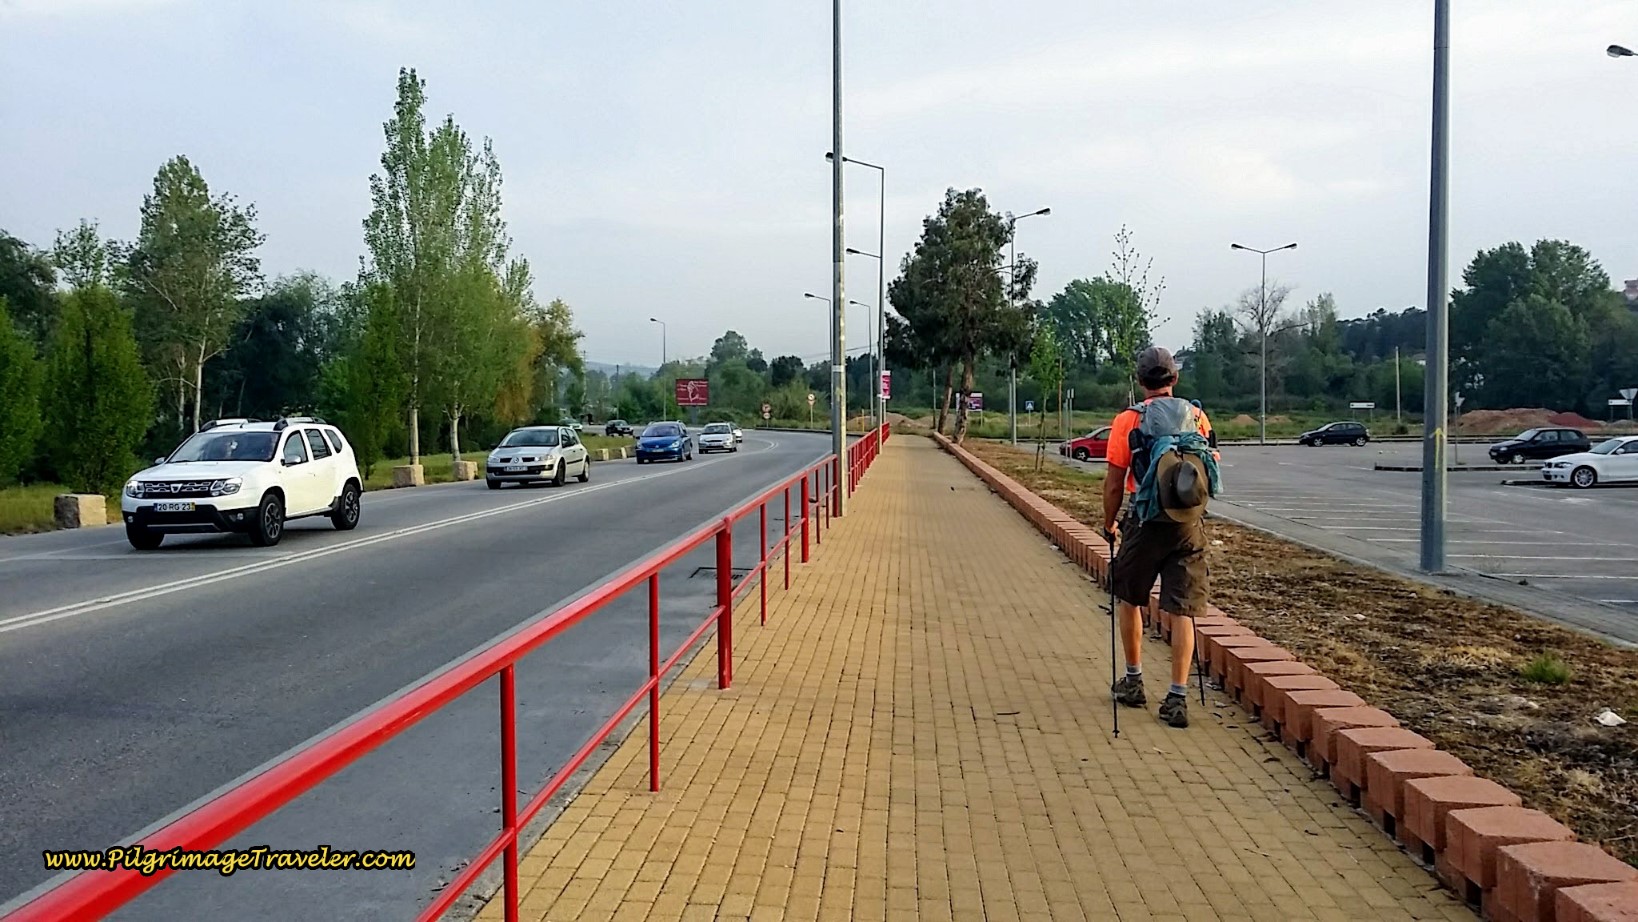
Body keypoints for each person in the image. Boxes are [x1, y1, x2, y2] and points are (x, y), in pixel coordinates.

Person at [1102, 347, 1220, 728]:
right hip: (1188, 522)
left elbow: (1115, 482)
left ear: (1140, 381)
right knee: (1182, 608)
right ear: (1174, 379)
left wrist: (1109, 523)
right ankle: (1177, 697)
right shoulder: (1198, 417)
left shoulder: (1128, 420)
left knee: (1130, 597)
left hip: (1145, 518)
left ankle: (1134, 681)